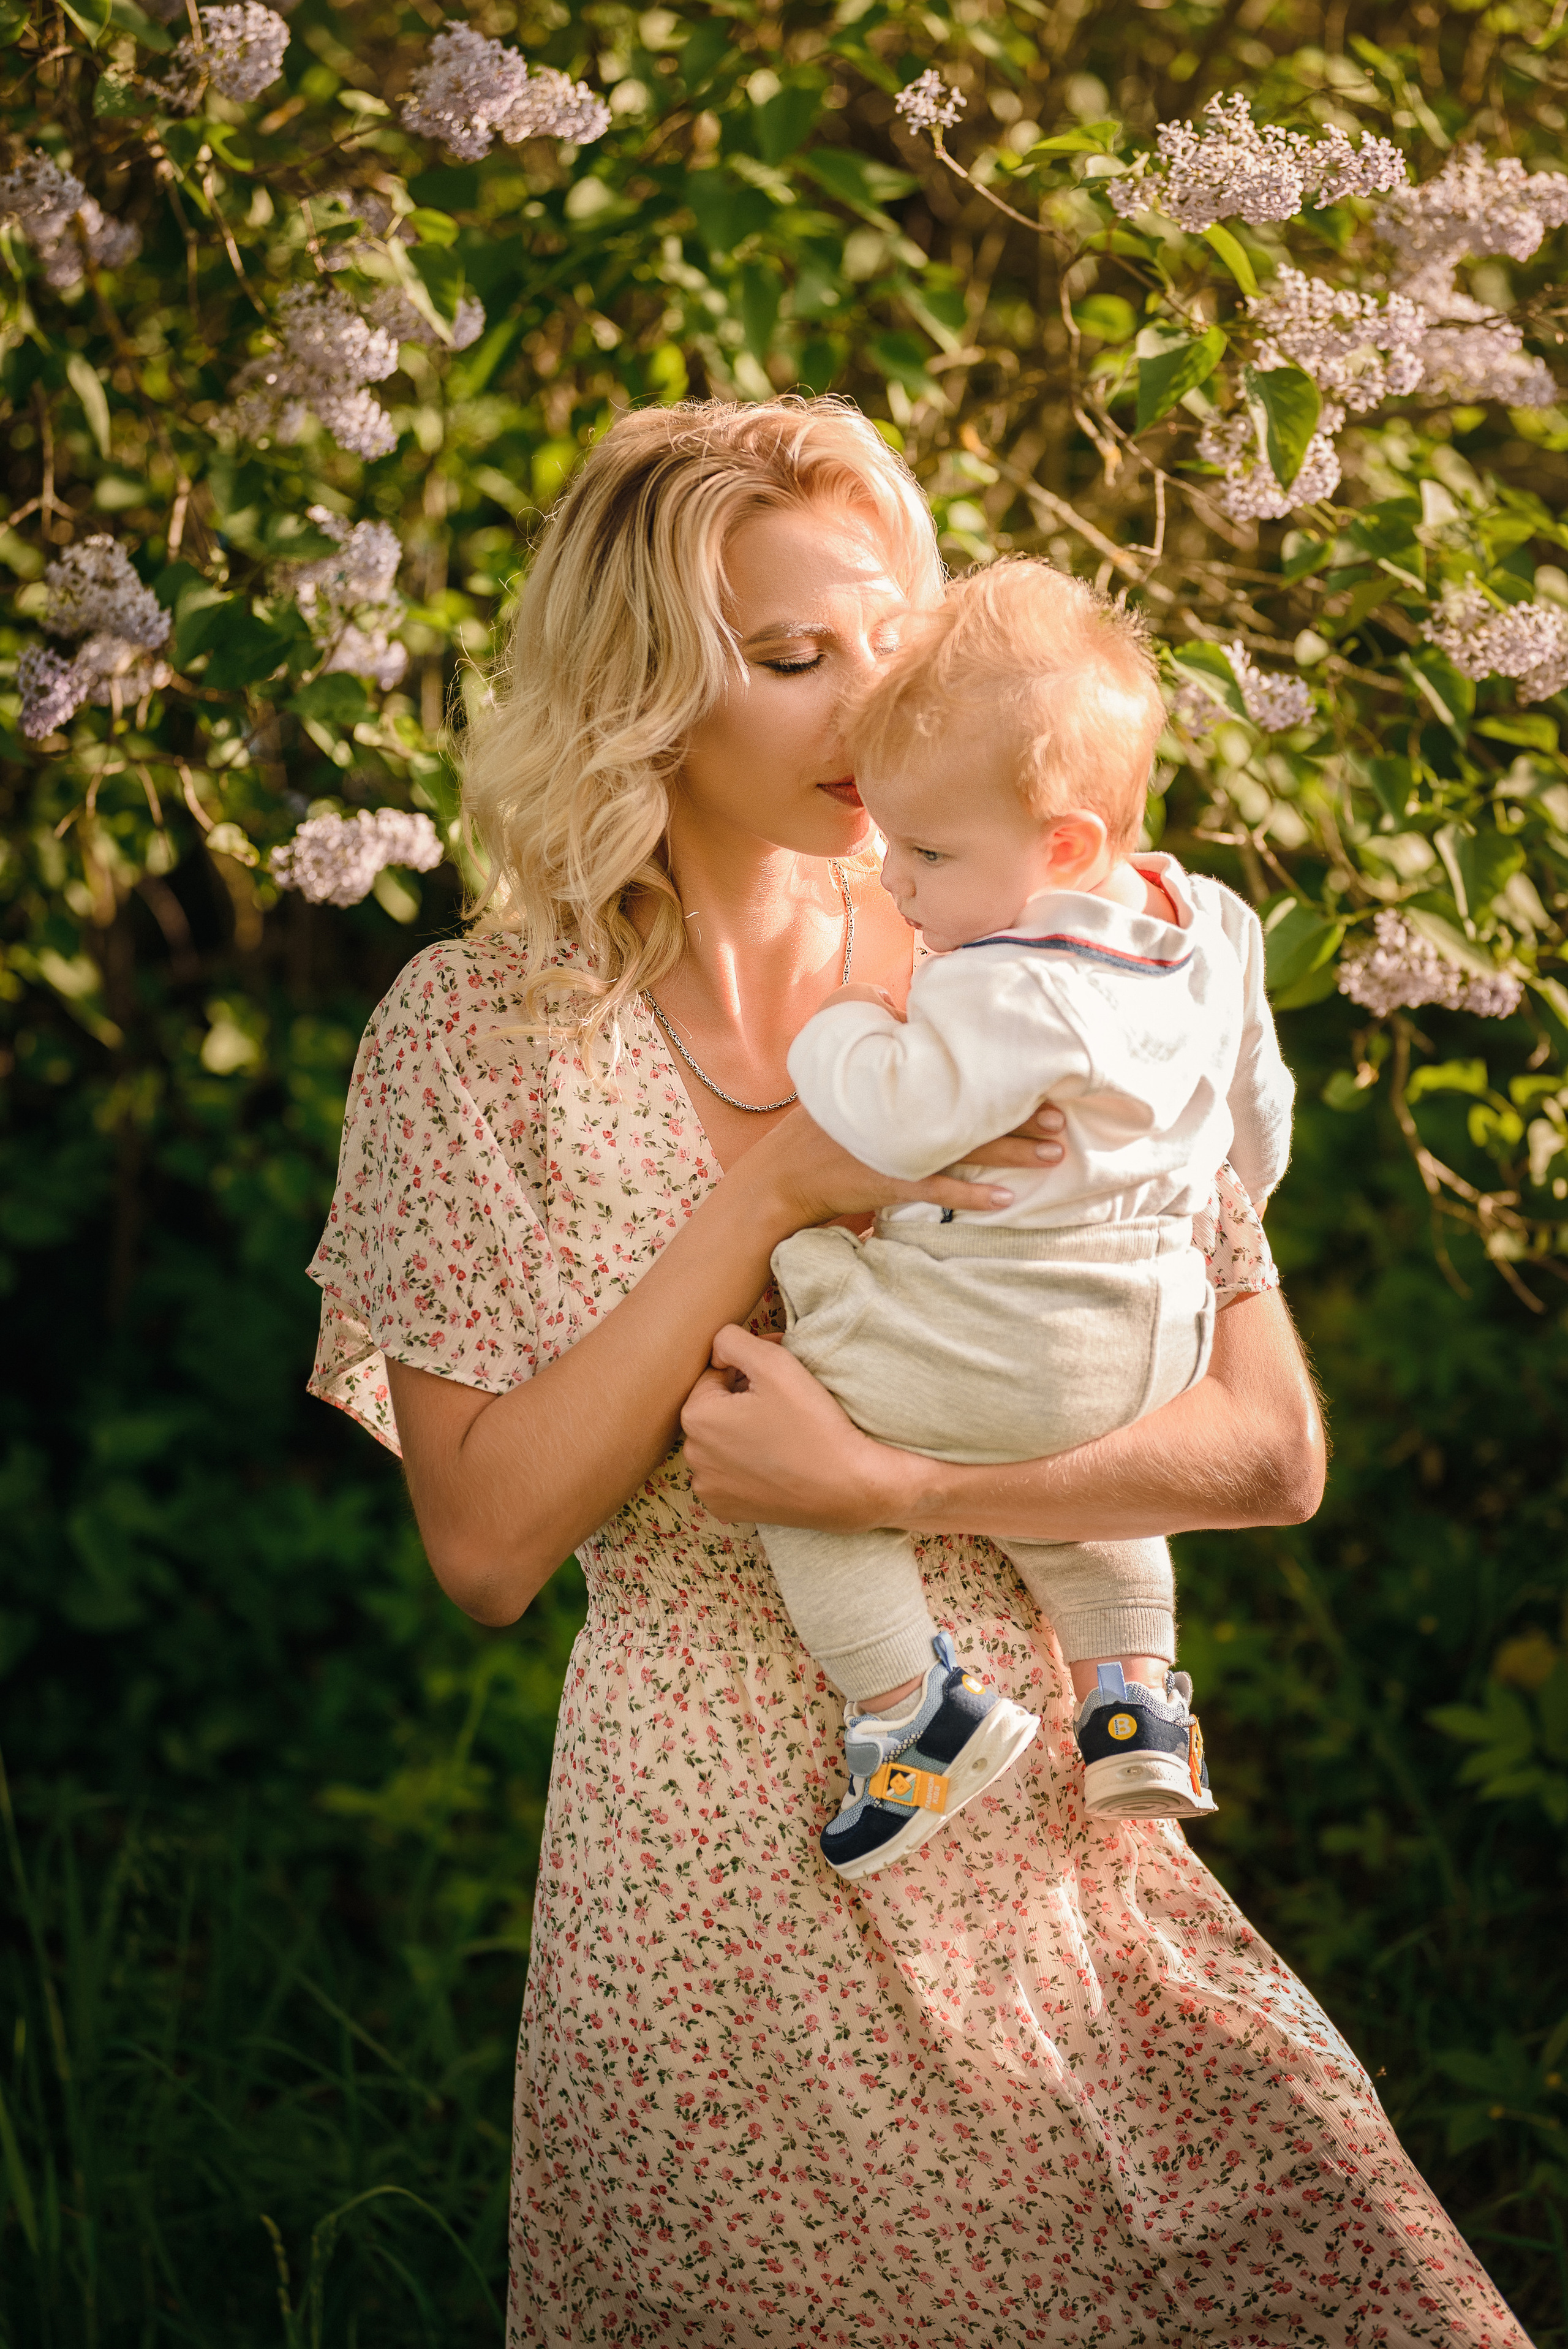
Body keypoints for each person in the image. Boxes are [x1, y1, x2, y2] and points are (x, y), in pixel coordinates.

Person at [307, 396, 1526, 2345]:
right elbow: (485, 1535)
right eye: (793, 663)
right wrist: (779, 1182)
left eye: (887, 639)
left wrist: (886, 1491)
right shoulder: (476, 1037)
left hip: (1051, 1837)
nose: (865, 704)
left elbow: (1268, 1448)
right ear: (646, 699)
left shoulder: (1050, 953)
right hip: (705, 1892)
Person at [756, 557, 1295, 1879]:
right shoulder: (1209, 921)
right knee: (1086, 1495)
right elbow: (1257, 1110)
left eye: (928, 854)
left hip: (1001, 1339)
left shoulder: (1000, 984)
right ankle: (1131, 1701)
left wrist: (838, 1027)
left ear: (1061, 850)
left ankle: (909, 1709)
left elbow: (891, 1126)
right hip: (1151, 1333)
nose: (896, 886)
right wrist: (1212, 1201)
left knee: (792, 1396)